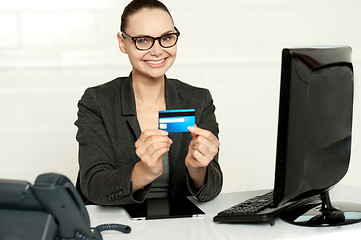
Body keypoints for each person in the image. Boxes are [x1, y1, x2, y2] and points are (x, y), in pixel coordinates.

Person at [75, 0, 223, 205]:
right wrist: (143, 171)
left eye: (166, 38)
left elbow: (213, 188)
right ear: (122, 42)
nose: (157, 51)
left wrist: (198, 168)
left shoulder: (198, 100)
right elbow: (93, 187)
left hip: (181, 227)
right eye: (143, 40)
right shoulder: (97, 102)